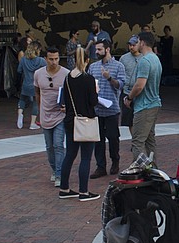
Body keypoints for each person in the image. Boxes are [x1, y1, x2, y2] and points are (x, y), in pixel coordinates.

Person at [58, 47, 101, 201]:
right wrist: (96, 91)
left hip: (70, 121)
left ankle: (64, 188)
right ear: (87, 61)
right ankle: (84, 191)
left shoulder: (68, 78)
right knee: (85, 158)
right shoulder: (88, 79)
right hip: (86, 121)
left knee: (69, 155)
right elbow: (93, 102)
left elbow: (66, 101)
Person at [124, 31, 162, 170]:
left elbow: (139, 85)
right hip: (154, 103)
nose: (136, 44)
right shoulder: (155, 59)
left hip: (144, 105)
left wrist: (129, 97)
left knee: (137, 142)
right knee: (150, 141)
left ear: (142, 42)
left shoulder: (145, 61)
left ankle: (142, 171)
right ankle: (154, 171)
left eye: (138, 41)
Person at [88, 39, 125, 178]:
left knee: (113, 137)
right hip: (97, 109)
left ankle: (115, 160)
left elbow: (120, 85)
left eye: (99, 49)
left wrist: (109, 78)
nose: (96, 52)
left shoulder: (118, 66)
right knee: (98, 139)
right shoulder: (93, 66)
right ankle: (100, 166)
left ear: (107, 49)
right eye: (96, 50)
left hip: (112, 109)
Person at [34, 46, 69, 187]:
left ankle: (60, 173)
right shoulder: (38, 73)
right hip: (45, 114)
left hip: (60, 114)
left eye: (56, 59)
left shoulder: (66, 73)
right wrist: (39, 109)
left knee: (58, 144)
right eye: (51, 59)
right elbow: (37, 92)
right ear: (45, 59)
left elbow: (70, 94)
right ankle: (55, 170)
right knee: (49, 147)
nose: (54, 62)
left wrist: (67, 107)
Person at [16, 40, 45, 130]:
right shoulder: (41, 60)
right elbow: (46, 71)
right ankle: (32, 123)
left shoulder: (24, 59)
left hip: (25, 83)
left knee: (22, 99)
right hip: (36, 85)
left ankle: (20, 114)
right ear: (37, 50)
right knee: (36, 103)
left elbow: (19, 70)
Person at [119, 35, 141, 130]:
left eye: (134, 45)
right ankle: (134, 140)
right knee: (129, 120)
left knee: (140, 119)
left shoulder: (144, 57)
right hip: (126, 91)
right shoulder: (123, 58)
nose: (131, 47)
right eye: (130, 45)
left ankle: (139, 141)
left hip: (140, 92)